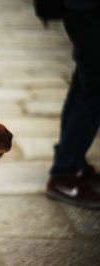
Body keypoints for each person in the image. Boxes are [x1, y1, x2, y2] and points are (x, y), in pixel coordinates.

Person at [34, 0, 100, 210]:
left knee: (85, 83)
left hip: (81, 9)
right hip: (86, 9)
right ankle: (65, 172)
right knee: (93, 89)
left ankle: (71, 161)